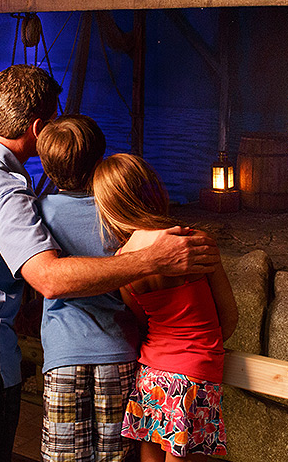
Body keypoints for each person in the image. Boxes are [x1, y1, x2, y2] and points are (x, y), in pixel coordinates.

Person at [0, 64, 219, 462]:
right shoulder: (10, 195)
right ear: (37, 129)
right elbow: (49, 277)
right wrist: (150, 257)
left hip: (58, 359)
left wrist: (26, 308)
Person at [92, 153, 238, 462]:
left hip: (151, 375)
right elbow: (229, 316)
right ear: (154, 190)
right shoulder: (195, 242)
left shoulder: (123, 263)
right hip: (196, 374)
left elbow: (143, 321)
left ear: (109, 207)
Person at [36, 115, 139, 462]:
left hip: (64, 357)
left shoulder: (40, 214)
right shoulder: (119, 212)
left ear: (48, 170)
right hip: (119, 352)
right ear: (100, 160)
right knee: (117, 456)